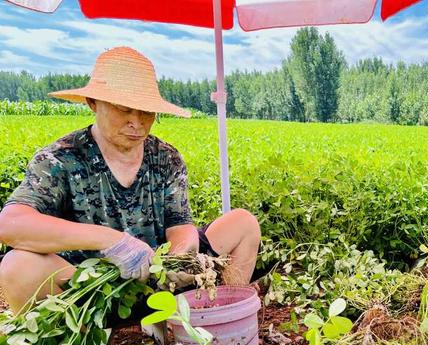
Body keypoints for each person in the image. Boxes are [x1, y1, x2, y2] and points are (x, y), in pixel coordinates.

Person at [0, 47, 261, 315]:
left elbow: (179, 224)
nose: (136, 123)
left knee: (243, 223)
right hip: (92, 287)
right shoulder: (61, 159)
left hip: (159, 280)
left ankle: (216, 318)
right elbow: (10, 224)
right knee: (18, 267)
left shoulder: (165, 158)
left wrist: (182, 254)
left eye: (146, 112)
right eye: (123, 109)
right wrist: (111, 241)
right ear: (93, 103)